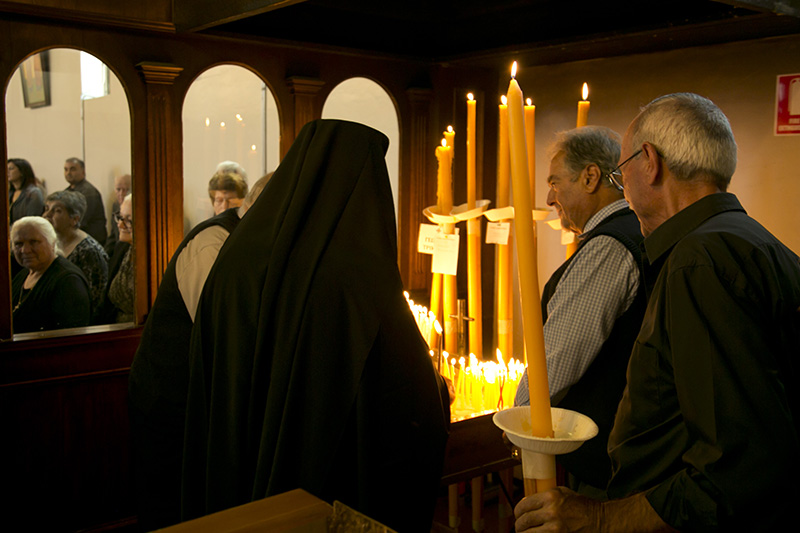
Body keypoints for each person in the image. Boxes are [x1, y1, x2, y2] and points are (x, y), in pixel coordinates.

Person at [514, 93, 800, 532]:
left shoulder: (700, 260)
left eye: (621, 168)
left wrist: (601, 518)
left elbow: (735, 469)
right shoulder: (753, 240)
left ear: (649, 161)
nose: (620, 181)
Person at [180, 120, 450, 532]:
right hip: (326, 487)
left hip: (234, 467)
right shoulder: (359, 274)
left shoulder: (236, 260)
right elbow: (411, 396)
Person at [128, 172, 272, 531]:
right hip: (169, 397)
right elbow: (223, 332)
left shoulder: (255, 241)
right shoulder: (214, 243)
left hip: (203, 399)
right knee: (171, 506)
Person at [513, 126, 645, 496]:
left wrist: (517, 420)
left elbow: (557, 361)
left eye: (555, 183)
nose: (549, 198)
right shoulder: (639, 230)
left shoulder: (608, 249)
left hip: (608, 463)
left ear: (590, 177)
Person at [10, 216, 91, 333]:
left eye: (33, 242)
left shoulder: (68, 281)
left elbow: (70, 338)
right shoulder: (24, 274)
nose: (25, 250)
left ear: (52, 243)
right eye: (18, 244)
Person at [43, 190, 109, 318]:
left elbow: (96, 300)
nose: (47, 215)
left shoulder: (89, 251)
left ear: (74, 219)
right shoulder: (51, 243)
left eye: (57, 211)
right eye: (46, 208)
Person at [97, 194, 134, 323]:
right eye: (120, 217)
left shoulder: (158, 256)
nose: (120, 225)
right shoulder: (122, 248)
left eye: (129, 220)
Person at [63, 157, 107, 245]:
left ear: (83, 171)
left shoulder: (89, 192)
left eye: (73, 169)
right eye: (66, 169)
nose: (68, 173)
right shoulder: (67, 191)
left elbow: (81, 221)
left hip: (91, 242)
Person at [8, 158, 44, 225]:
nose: (7, 172)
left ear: (22, 172)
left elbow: (31, 220)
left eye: (11, 169)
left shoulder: (34, 193)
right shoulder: (9, 193)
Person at [104, 174, 131, 255]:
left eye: (126, 190)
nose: (121, 193)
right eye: (118, 189)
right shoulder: (116, 205)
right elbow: (113, 235)